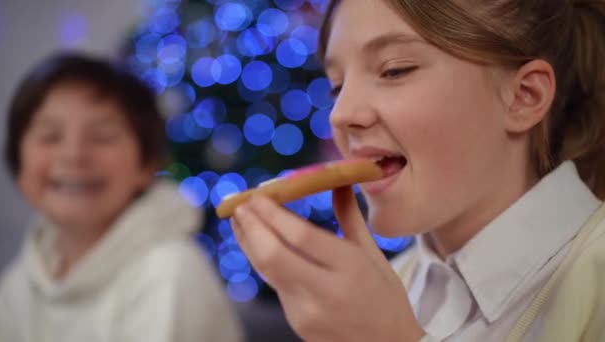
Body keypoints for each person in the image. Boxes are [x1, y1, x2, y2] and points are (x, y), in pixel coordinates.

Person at [229, 0, 605, 341]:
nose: (340, 115)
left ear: (525, 96)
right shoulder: (381, 289)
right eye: (336, 87)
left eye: (395, 70)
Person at [0, 53, 243, 342]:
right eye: (50, 136)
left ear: (147, 163)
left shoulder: (170, 272)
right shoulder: (21, 279)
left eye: (102, 136)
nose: (73, 154)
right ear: (18, 163)